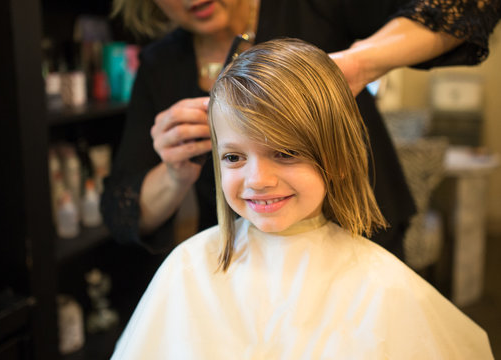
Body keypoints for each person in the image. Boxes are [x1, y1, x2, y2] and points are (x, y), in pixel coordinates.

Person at [110, 39, 494, 358]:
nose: (257, 180)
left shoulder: (383, 286)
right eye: (233, 157)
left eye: (285, 153)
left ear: (337, 159)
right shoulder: (188, 269)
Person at [102, 0, 500, 260]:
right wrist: (175, 172)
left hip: (363, 232)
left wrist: (360, 63)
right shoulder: (158, 66)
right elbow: (124, 214)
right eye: (234, 156)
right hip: (251, 256)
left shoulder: (312, 7)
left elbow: (468, 7)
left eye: (286, 150)